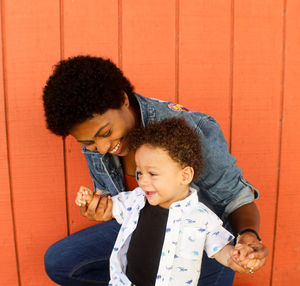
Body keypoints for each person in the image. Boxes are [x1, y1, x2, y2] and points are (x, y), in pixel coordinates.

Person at [43, 55, 268, 286]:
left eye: (106, 132)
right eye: (88, 143)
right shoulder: (97, 145)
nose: (101, 148)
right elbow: (115, 199)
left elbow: (237, 199)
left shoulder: (191, 129)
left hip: (195, 238)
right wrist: (101, 207)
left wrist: (248, 237)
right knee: (60, 261)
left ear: (123, 100)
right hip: (143, 226)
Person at [76, 118, 261, 286]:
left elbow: (222, 251)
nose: (143, 181)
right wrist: (90, 200)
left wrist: (238, 258)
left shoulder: (201, 217)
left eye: (153, 174)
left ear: (185, 175)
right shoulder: (136, 200)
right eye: (140, 172)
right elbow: (109, 207)